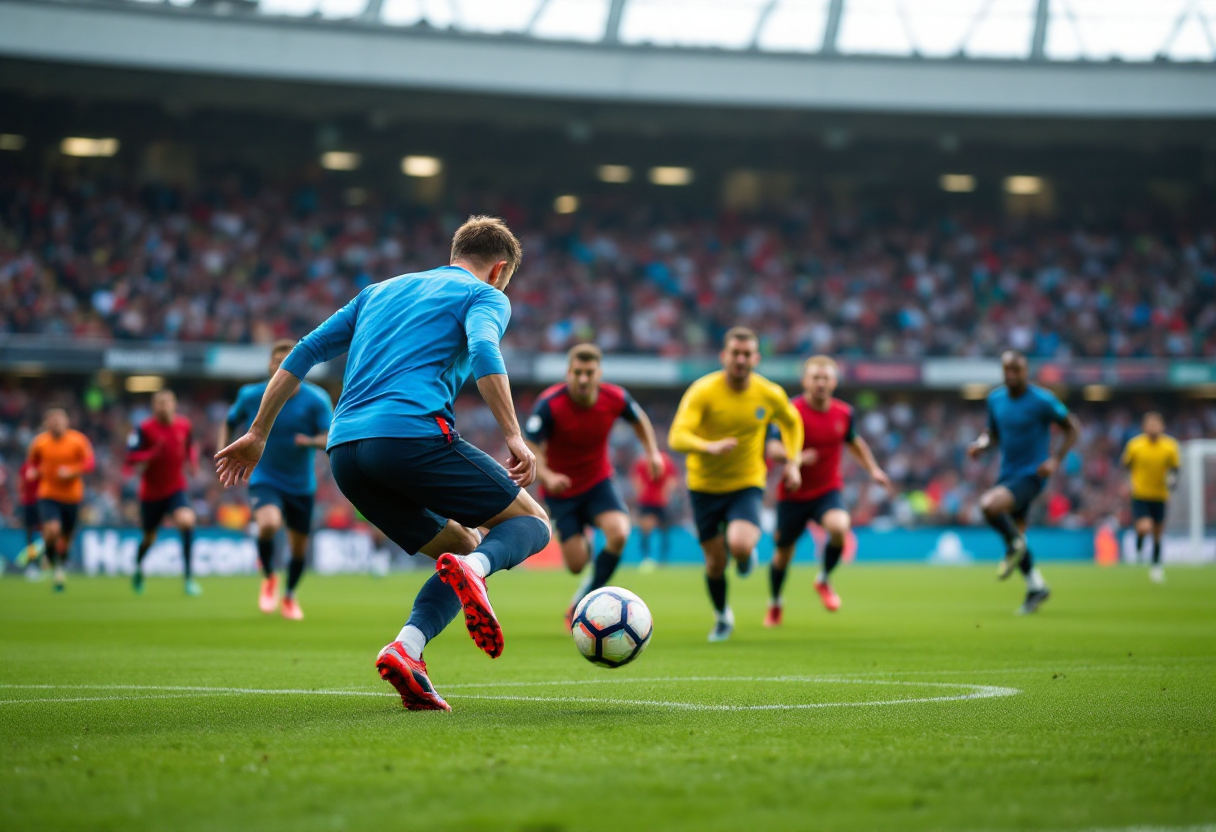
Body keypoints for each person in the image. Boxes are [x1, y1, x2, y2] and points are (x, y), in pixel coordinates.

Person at [215, 215, 550, 712]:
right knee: (532, 523)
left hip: (346, 454)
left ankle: (407, 649)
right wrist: (514, 435)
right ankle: (476, 569)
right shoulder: (485, 295)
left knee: (462, 542)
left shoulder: (377, 292)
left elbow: (305, 351)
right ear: (499, 270)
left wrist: (258, 431)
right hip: (410, 435)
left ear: (454, 253)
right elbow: (483, 348)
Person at [668, 327, 803, 642]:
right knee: (715, 563)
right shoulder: (703, 391)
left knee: (740, 545)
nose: (740, 360)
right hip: (703, 486)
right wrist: (707, 446)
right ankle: (722, 617)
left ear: (756, 358)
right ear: (723, 356)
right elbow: (677, 436)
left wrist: (794, 462)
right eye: (735, 354)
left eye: (747, 354)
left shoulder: (769, 394)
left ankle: (743, 554)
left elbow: (792, 422)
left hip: (746, 482)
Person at [524, 343, 665, 625]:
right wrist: (548, 476)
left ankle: (584, 598)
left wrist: (652, 452)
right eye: (578, 372)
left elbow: (639, 420)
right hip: (561, 491)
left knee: (619, 533)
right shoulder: (550, 404)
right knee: (576, 565)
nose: (583, 379)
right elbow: (530, 444)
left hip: (598, 482)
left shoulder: (615, 397)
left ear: (599, 373)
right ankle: (583, 550)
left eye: (589, 372)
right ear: (568, 373)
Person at [763, 356, 893, 626]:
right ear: (805, 381)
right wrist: (796, 458)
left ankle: (823, 580)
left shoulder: (844, 413)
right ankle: (775, 603)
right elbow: (772, 448)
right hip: (793, 493)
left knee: (839, 527)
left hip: (827, 490)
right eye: (815, 378)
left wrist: (874, 470)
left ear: (834, 382)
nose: (820, 383)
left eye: (825, 378)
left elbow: (854, 442)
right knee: (783, 555)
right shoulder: (790, 411)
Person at [219, 339, 332, 619]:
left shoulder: (316, 399)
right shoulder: (251, 395)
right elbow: (229, 421)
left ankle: (290, 596)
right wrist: (223, 452)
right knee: (269, 524)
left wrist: (310, 441)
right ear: (271, 366)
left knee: (299, 549)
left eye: (289, 361)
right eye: (278, 361)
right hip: (264, 476)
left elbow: (330, 437)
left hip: (301, 484)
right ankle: (269, 576)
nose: (283, 366)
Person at [967, 350, 1080, 615]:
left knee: (990, 505)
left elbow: (1072, 427)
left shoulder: (1042, 400)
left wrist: (1056, 460)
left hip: (1032, 474)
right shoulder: (996, 399)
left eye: (1016, 370)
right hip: (1008, 474)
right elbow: (992, 433)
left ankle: (1013, 549)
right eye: (1006, 370)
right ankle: (1035, 587)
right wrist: (981, 445)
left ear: (1025, 371)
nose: (1011, 375)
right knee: (1016, 535)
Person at [127, 389, 202, 596]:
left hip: (176, 487)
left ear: (174, 404)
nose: (163, 407)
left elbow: (190, 446)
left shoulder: (184, 425)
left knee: (187, 521)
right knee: (149, 538)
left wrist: (192, 462)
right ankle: (138, 568)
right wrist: (151, 454)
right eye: (159, 403)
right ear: (154, 407)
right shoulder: (144, 429)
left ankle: (188, 578)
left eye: (167, 402)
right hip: (151, 493)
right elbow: (131, 456)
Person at [26, 407, 95, 592]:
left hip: (72, 497)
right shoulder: (40, 442)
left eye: (59, 420)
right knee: (53, 529)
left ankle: (59, 566)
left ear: (66, 422)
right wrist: (32, 471)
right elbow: (32, 462)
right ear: (47, 423)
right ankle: (51, 560)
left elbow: (89, 463)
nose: (56, 424)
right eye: (52, 421)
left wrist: (72, 471)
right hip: (48, 494)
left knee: (66, 538)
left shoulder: (78, 440)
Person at [1121, 412, 1180, 584]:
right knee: (1145, 527)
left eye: (1156, 424)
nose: (1153, 428)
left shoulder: (1170, 446)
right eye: (1150, 424)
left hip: (1160, 495)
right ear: (1144, 427)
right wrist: (1127, 484)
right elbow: (1126, 465)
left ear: (1162, 426)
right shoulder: (1135, 445)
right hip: (1140, 494)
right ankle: (1139, 543)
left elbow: (1175, 469)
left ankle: (1156, 567)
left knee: (1157, 533)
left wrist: (1172, 481)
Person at [632, 447, 678, 570]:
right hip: (654, 501)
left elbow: (637, 482)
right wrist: (665, 494)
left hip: (651, 501)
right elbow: (672, 481)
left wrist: (642, 494)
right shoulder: (664, 460)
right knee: (660, 531)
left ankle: (651, 559)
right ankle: (656, 559)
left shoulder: (643, 460)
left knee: (653, 531)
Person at [15, 459, 44, 575]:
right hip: (28, 504)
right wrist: (21, 495)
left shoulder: (43, 465)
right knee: (30, 534)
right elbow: (21, 482)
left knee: (45, 534)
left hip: (42, 502)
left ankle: (44, 562)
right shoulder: (25, 466)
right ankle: (32, 563)